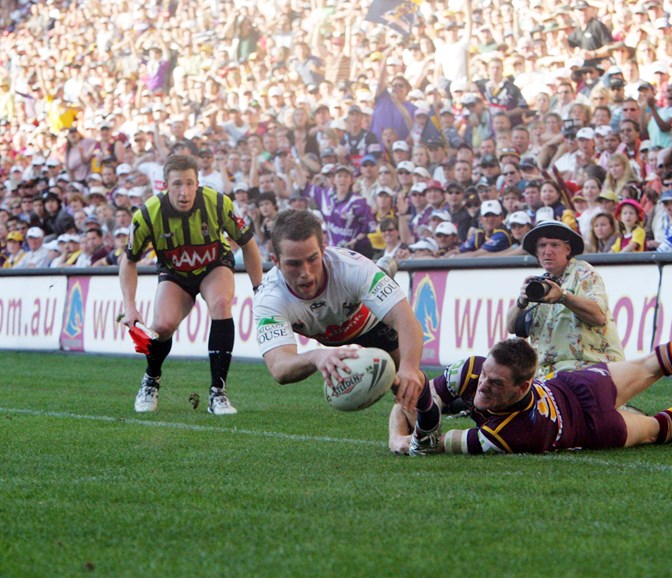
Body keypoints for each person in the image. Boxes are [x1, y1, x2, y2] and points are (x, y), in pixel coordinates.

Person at [389, 321, 672, 454]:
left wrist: (405, 437)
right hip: (590, 414)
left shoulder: (509, 433)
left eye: (495, 384)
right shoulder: (472, 369)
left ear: (525, 386)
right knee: (656, 429)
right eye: (486, 376)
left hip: (586, 406)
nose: (483, 387)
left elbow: (433, 442)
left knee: (654, 364)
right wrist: (397, 432)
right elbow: (413, 393)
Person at [253, 209, 442, 455]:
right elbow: (279, 368)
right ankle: (382, 273)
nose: (306, 272)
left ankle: (382, 274)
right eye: (293, 264)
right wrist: (316, 356)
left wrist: (407, 367)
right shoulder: (269, 298)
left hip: (369, 321)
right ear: (275, 261)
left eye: (312, 259)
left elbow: (406, 320)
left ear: (323, 249)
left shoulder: (352, 267)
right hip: (327, 337)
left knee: (405, 382)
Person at [119, 154, 264, 415]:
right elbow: (128, 261)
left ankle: (217, 393)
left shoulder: (218, 203)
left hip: (213, 265)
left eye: (189, 183)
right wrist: (130, 307)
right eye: (177, 184)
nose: (184, 192)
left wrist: (259, 289)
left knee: (221, 303)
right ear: (165, 185)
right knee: (162, 326)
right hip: (175, 273)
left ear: (198, 183)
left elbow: (248, 242)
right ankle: (151, 380)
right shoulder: (148, 214)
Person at [505, 220, 624, 378]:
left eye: (554, 245)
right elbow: (512, 328)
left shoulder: (583, 272)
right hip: (547, 373)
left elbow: (598, 315)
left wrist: (563, 297)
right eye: (542, 246)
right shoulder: (539, 285)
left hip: (589, 367)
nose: (547, 251)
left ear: (568, 249)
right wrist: (521, 301)